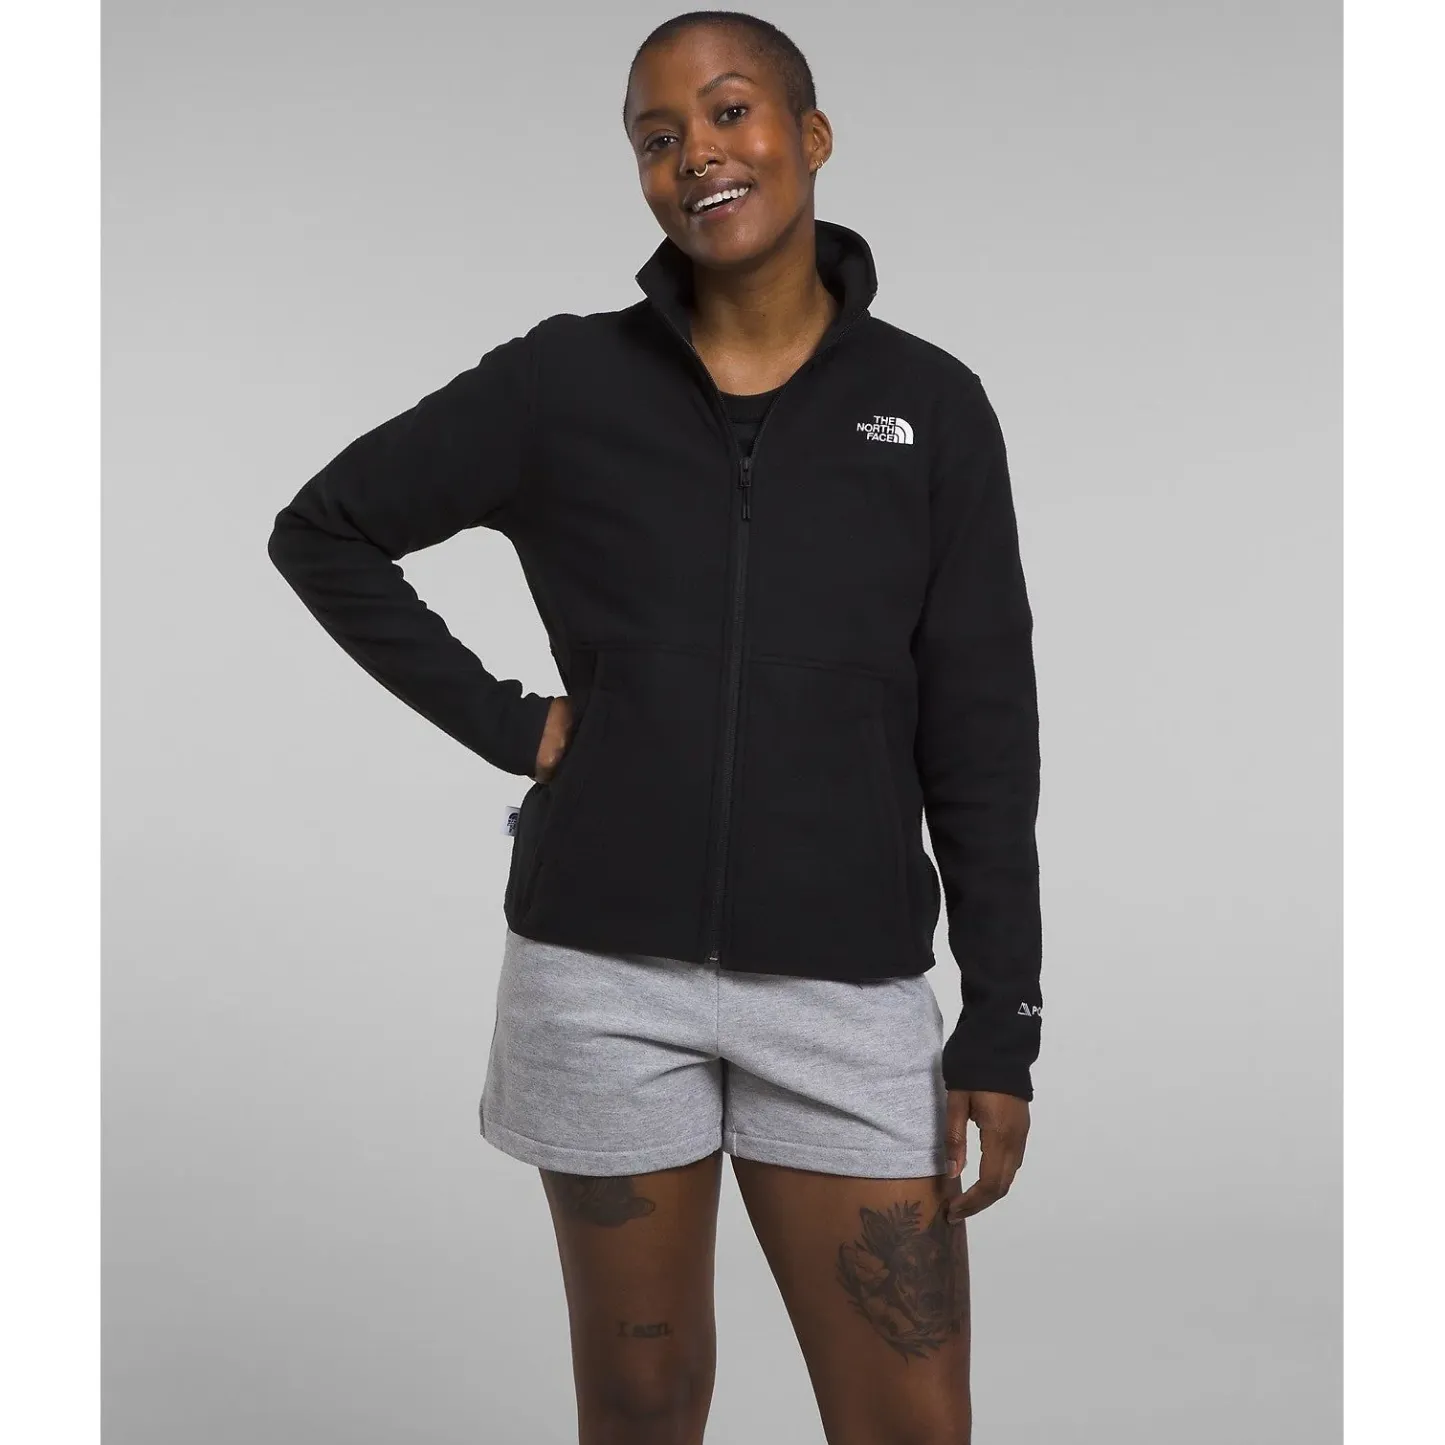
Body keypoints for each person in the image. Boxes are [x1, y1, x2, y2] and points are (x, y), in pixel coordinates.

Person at [268, 9, 1042, 1442]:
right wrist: (510, 725)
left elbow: (985, 728)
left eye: (731, 112)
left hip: (846, 990)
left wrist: (1002, 1020)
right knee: (640, 1402)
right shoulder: (564, 384)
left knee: (911, 1420)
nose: (697, 154)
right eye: (657, 135)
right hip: (600, 980)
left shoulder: (929, 409)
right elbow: (325, 530)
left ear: (812, 136)